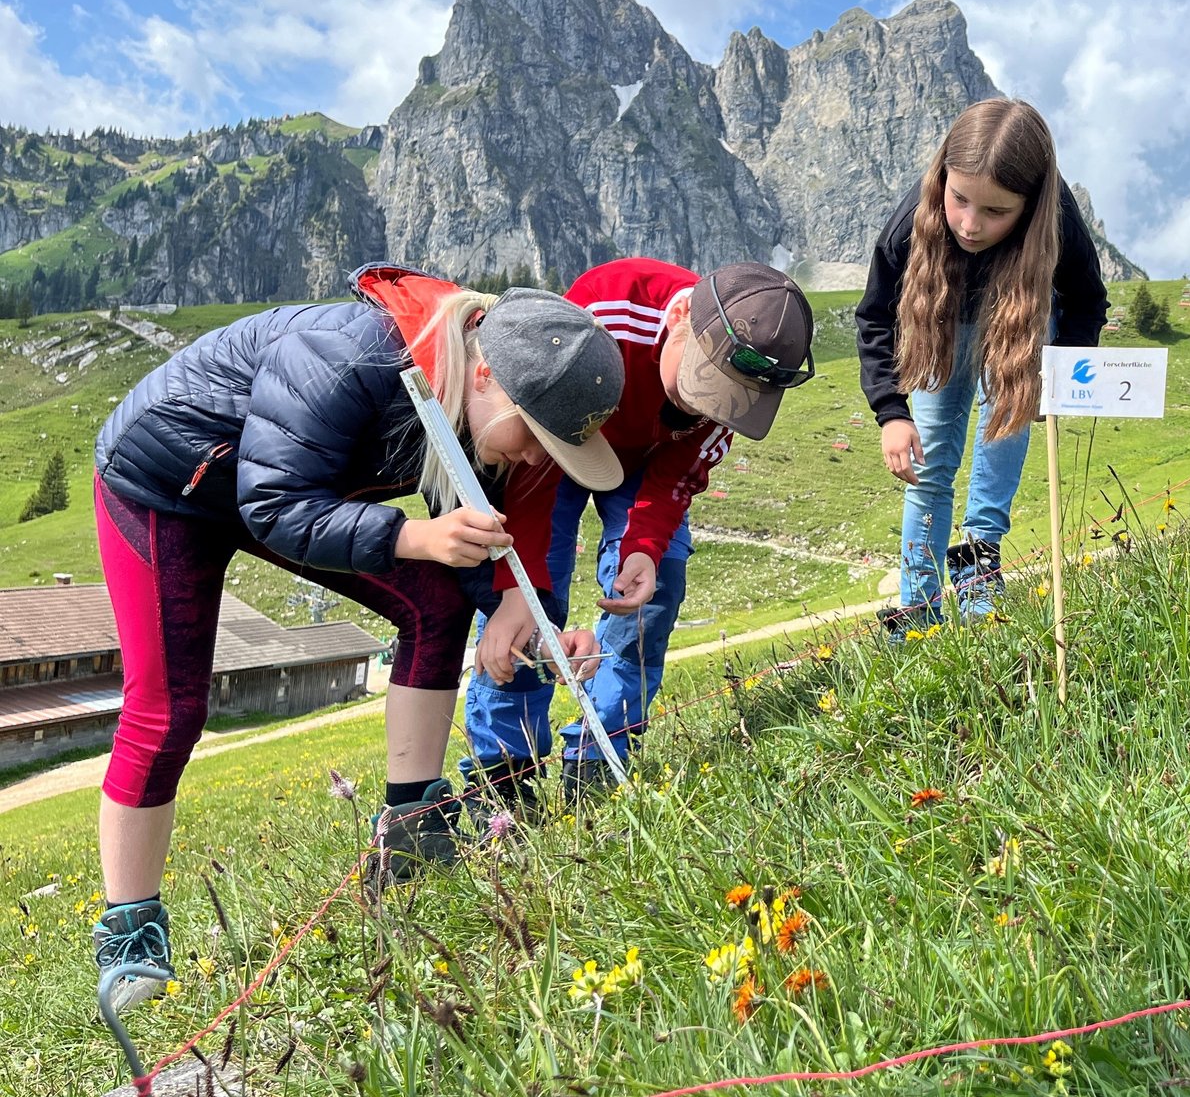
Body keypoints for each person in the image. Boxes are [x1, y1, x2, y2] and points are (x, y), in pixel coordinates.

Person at [89, 263, 625, 1010]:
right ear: (489, 377)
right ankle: (129, 932)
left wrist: (525, 618)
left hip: (277, 488)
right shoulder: (342, 355)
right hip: (163, 483)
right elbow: (276, 505)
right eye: (535, 438)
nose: (535, 460)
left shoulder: (462, 402)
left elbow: (475, 548)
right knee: (170, 705)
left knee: (436, 601)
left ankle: (411, 829)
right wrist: (412, 535)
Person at [459, 259, 814, 810]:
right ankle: (503, 774)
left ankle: (600, 757)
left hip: (646, 467)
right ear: (677, 318)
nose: (699, 407)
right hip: (557, 449)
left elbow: (681, 469)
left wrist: (644, 547)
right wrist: (518, 578)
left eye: (722, 402)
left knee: (657, 588)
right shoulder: (607, 310)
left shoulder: (744, 382)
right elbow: (533, 455)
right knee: (528, 594)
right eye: (698, 385)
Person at [855, 99, 1109, 628]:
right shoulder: (909, 225)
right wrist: (892, 413)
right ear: (943, 177)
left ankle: (977, 574)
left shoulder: (1056, 217)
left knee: (1002, 437)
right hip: (940, 328)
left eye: (996, 212)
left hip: (1017, 324)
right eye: (960, 200)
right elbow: (875, 317)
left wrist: (1056, 377)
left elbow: (1086, 300)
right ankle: (919, 604)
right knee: (929, 466)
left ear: (1031, 206)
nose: (970, 225)